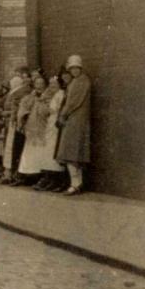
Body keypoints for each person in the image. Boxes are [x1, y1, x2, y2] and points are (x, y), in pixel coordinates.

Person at [22, 75, 67, 192]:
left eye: (54, 84)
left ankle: (57, 180)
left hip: (55, 124)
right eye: (51, 84)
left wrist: (42, 105)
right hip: (49, 125)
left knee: (53, 151)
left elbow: (54, 110)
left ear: (59, 85)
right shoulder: (50, 95)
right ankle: (49, 178)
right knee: (48, 153)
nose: (52, 86)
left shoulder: (60, 94)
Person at [55, 55, 91, 195]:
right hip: (75, 120)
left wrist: (63, 115)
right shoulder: (78, 81)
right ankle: (77, 183)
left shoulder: (81, 82)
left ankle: (75, 184)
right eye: (72, 68)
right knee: (73, 152)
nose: (74, 70)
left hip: (75, 120)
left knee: (71, 152)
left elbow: (72, 103)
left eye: (76, 68)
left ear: (80, 68)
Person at [0, 68, 32, 185]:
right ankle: (8, 173)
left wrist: (6, 113)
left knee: (13, 149)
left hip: (14, 124)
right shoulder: (14, 92)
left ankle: (13, 174)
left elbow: (16, 108)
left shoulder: (21, 92)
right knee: (8, 149)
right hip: (9, 123)